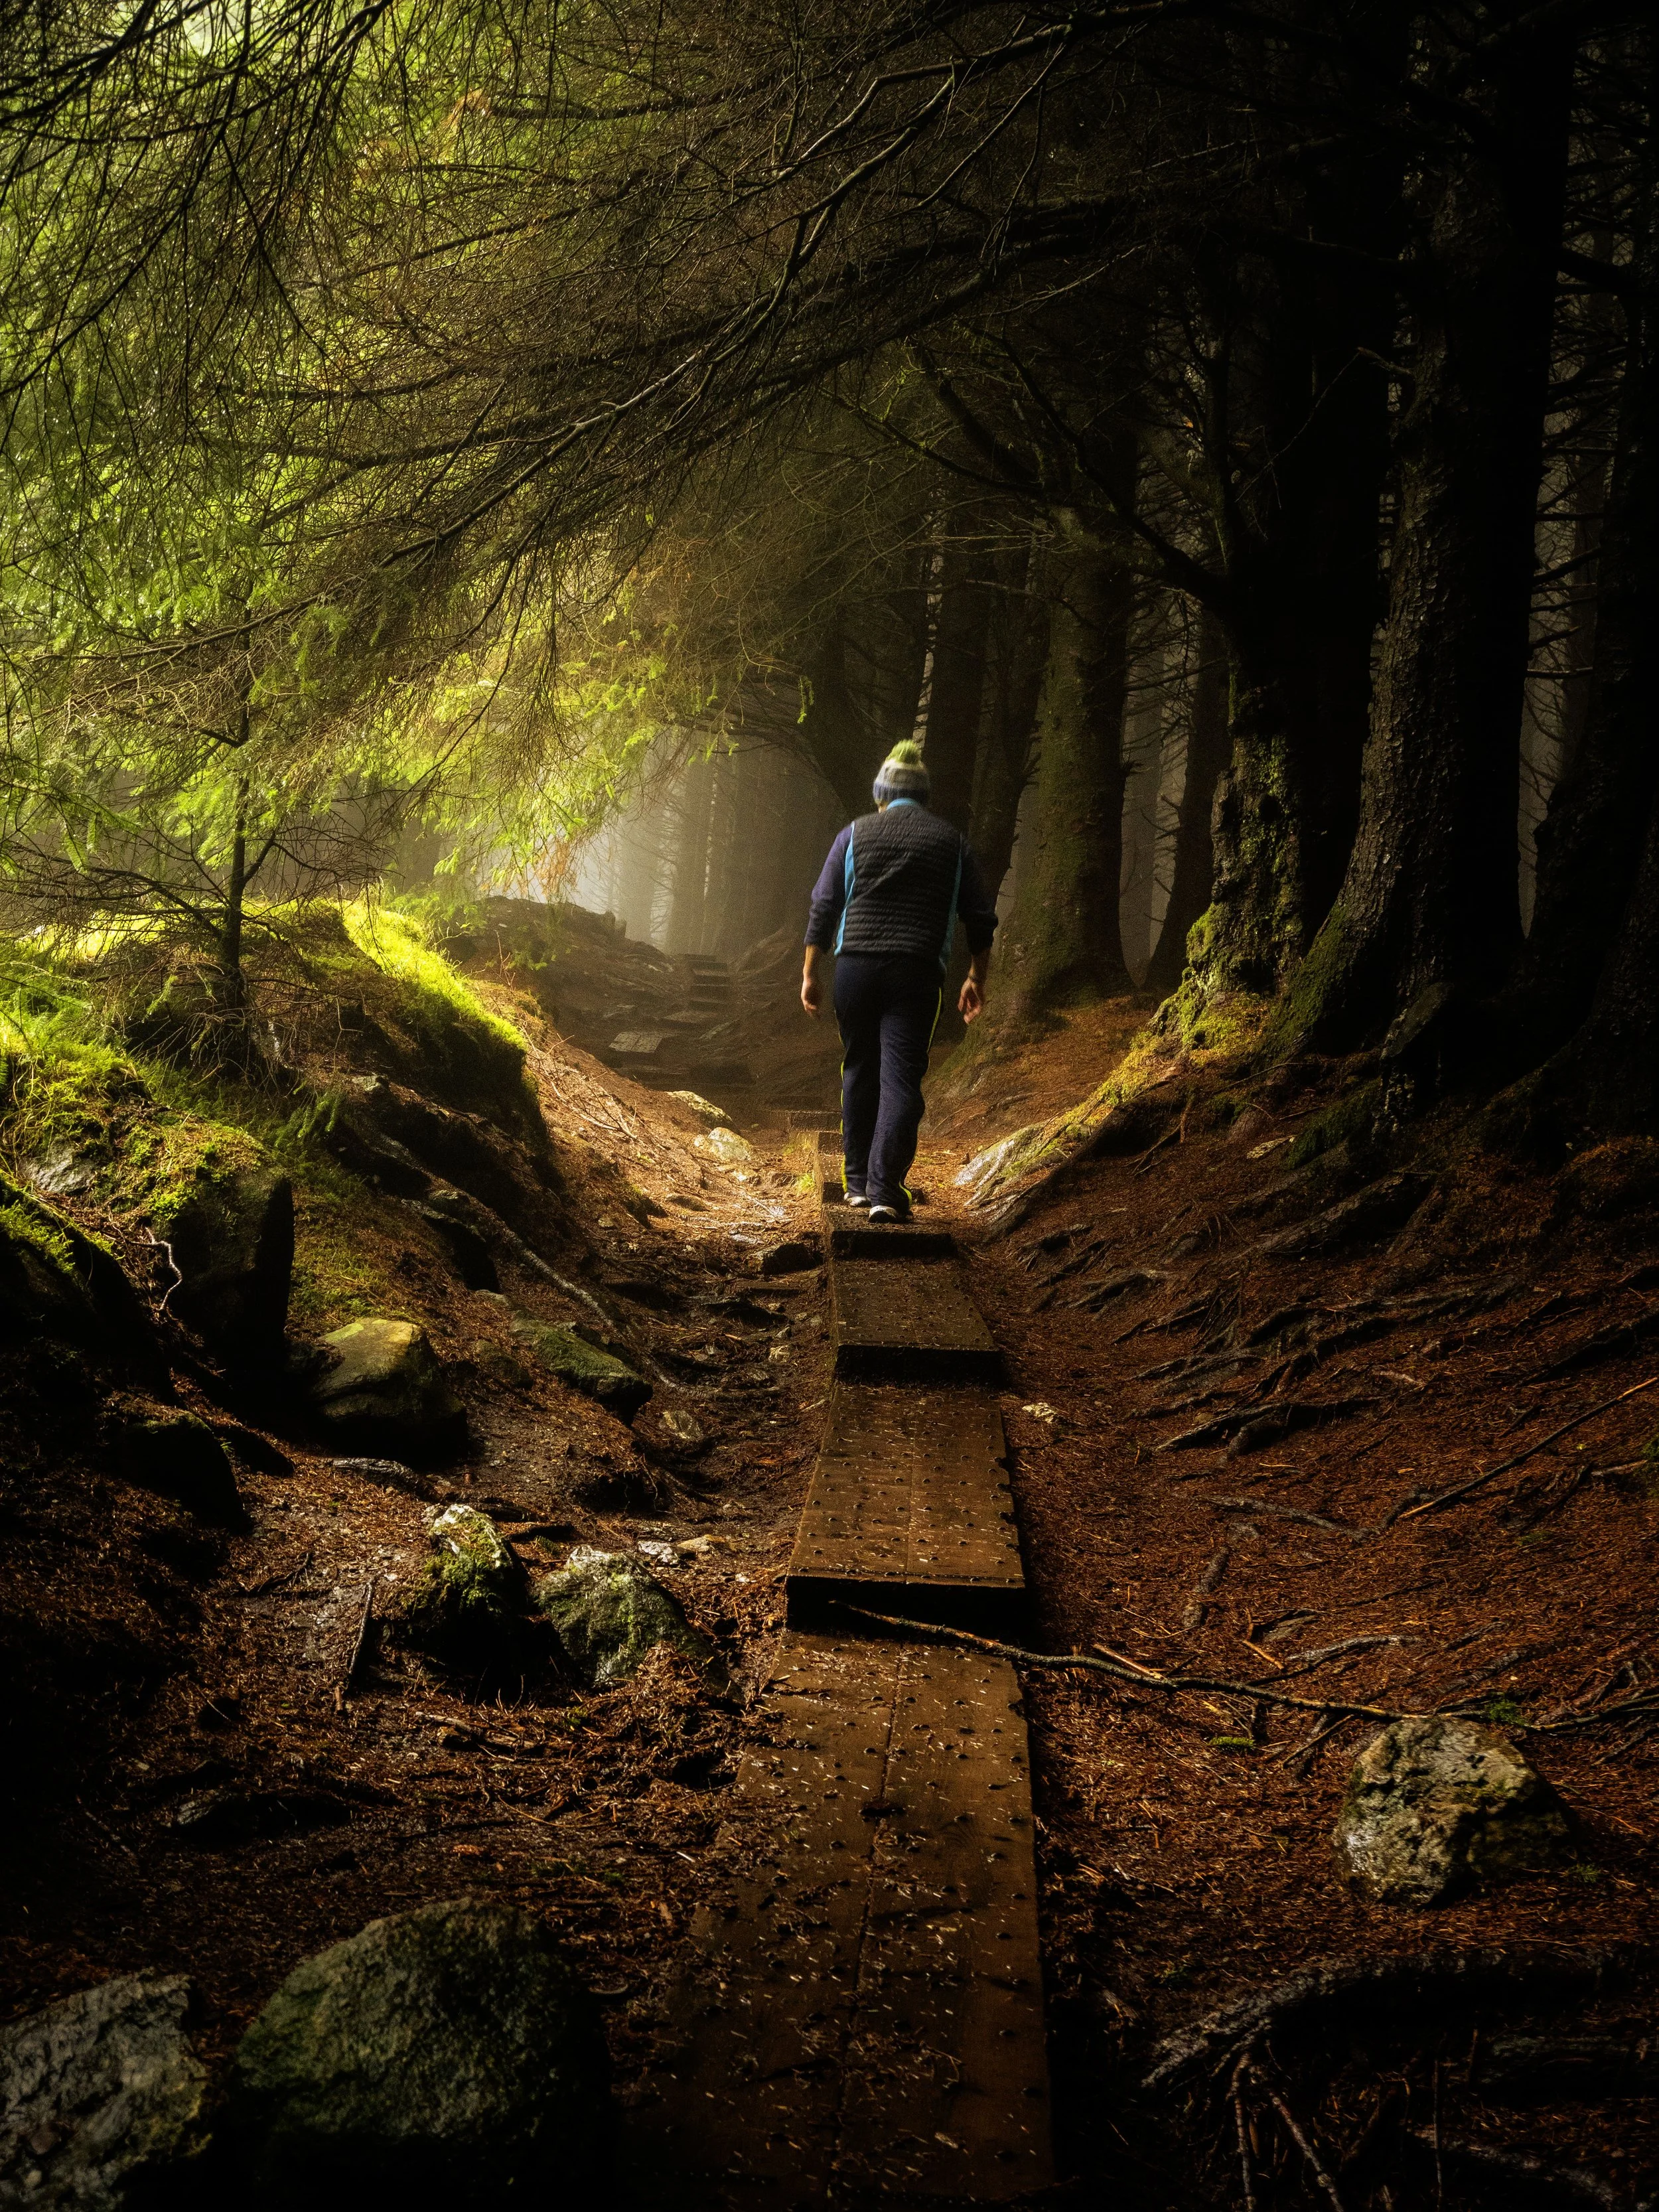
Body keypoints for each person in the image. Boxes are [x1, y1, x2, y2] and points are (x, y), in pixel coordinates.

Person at [800, 739, 997, 1222]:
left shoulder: (854, 834)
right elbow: (979, 916)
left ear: (881, 795)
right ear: (924, 797)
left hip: (855, 970)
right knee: (901, 1077)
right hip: (916, 973)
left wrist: (810, 971)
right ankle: (886, 1190)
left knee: (859, 1068)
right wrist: (976, 975)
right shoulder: (952, 843)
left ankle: (856, 1184)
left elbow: (824, 904)